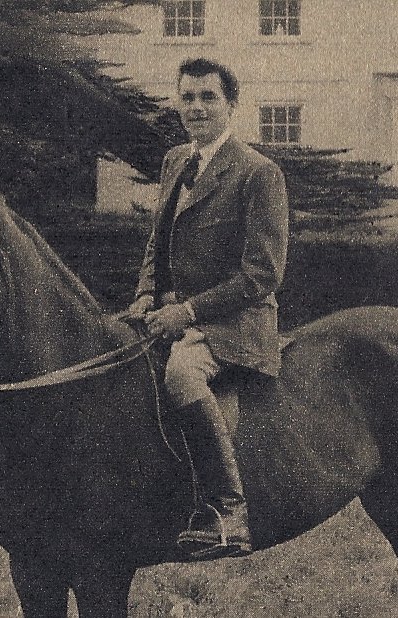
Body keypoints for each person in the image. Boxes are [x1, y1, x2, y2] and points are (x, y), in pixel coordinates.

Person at [128, 57, 289, 560]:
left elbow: (262, 274)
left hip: (236, 324)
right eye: (187, 98)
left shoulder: (258, 173)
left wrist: (188, 312)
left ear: (231, 105)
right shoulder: (176, 160)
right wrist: (144, 295)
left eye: (208, 98)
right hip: (174, 313)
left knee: (180, 375)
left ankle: (227, 509)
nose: (196, 108)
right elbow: (158, 243)